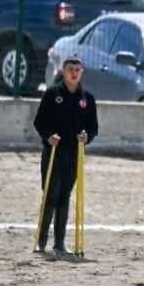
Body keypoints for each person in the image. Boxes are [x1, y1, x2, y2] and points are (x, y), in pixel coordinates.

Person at [33, 57, 98, 259]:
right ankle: (41, 239)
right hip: (54, 153)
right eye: (70, 69)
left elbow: (93, 128)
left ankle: (59, 242)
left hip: (73, 155)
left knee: (64, 197)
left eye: (78, 70)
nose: (74, 73)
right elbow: (39, 122)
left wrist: (87, 137)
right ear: (64, 70)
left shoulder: (87, 98)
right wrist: (48, 136)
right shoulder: (53, 94)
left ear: (82, 72)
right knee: (50, 194)